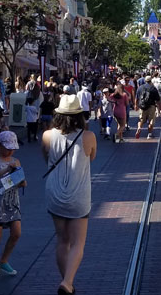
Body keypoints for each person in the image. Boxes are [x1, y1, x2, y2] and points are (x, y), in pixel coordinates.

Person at [42, 94, 97, 295]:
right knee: (77, 242)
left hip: (54, 192)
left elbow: (46, 157)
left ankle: (67, 281)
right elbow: (91, 158)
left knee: (62, 240)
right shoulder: (88, 136)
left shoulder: (47, 135)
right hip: (78, 194)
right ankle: (67, 282)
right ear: (79, 115)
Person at [0, 131, 27, 281]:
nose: (10, 151)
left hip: (12, 200)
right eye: (7, 148)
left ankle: (4, 260)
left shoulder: (16, 161)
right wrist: (6, 170)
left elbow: (21, 180)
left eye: (12, 148)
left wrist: (21, 181)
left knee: (16, 233)